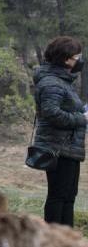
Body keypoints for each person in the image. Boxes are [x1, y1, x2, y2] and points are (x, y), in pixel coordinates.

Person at [32, 36, 87, 225]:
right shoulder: (51, 82)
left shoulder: (63, 82)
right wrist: (82, 118)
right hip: (57, 148)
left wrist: (82, 110)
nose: (80, 60)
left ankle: (66, 240)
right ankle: (54, 240)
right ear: (65, 59)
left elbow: (64, 107)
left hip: (69, 148)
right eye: (77, 57)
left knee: (69, 196)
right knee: (58, 196)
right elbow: (51, 113)